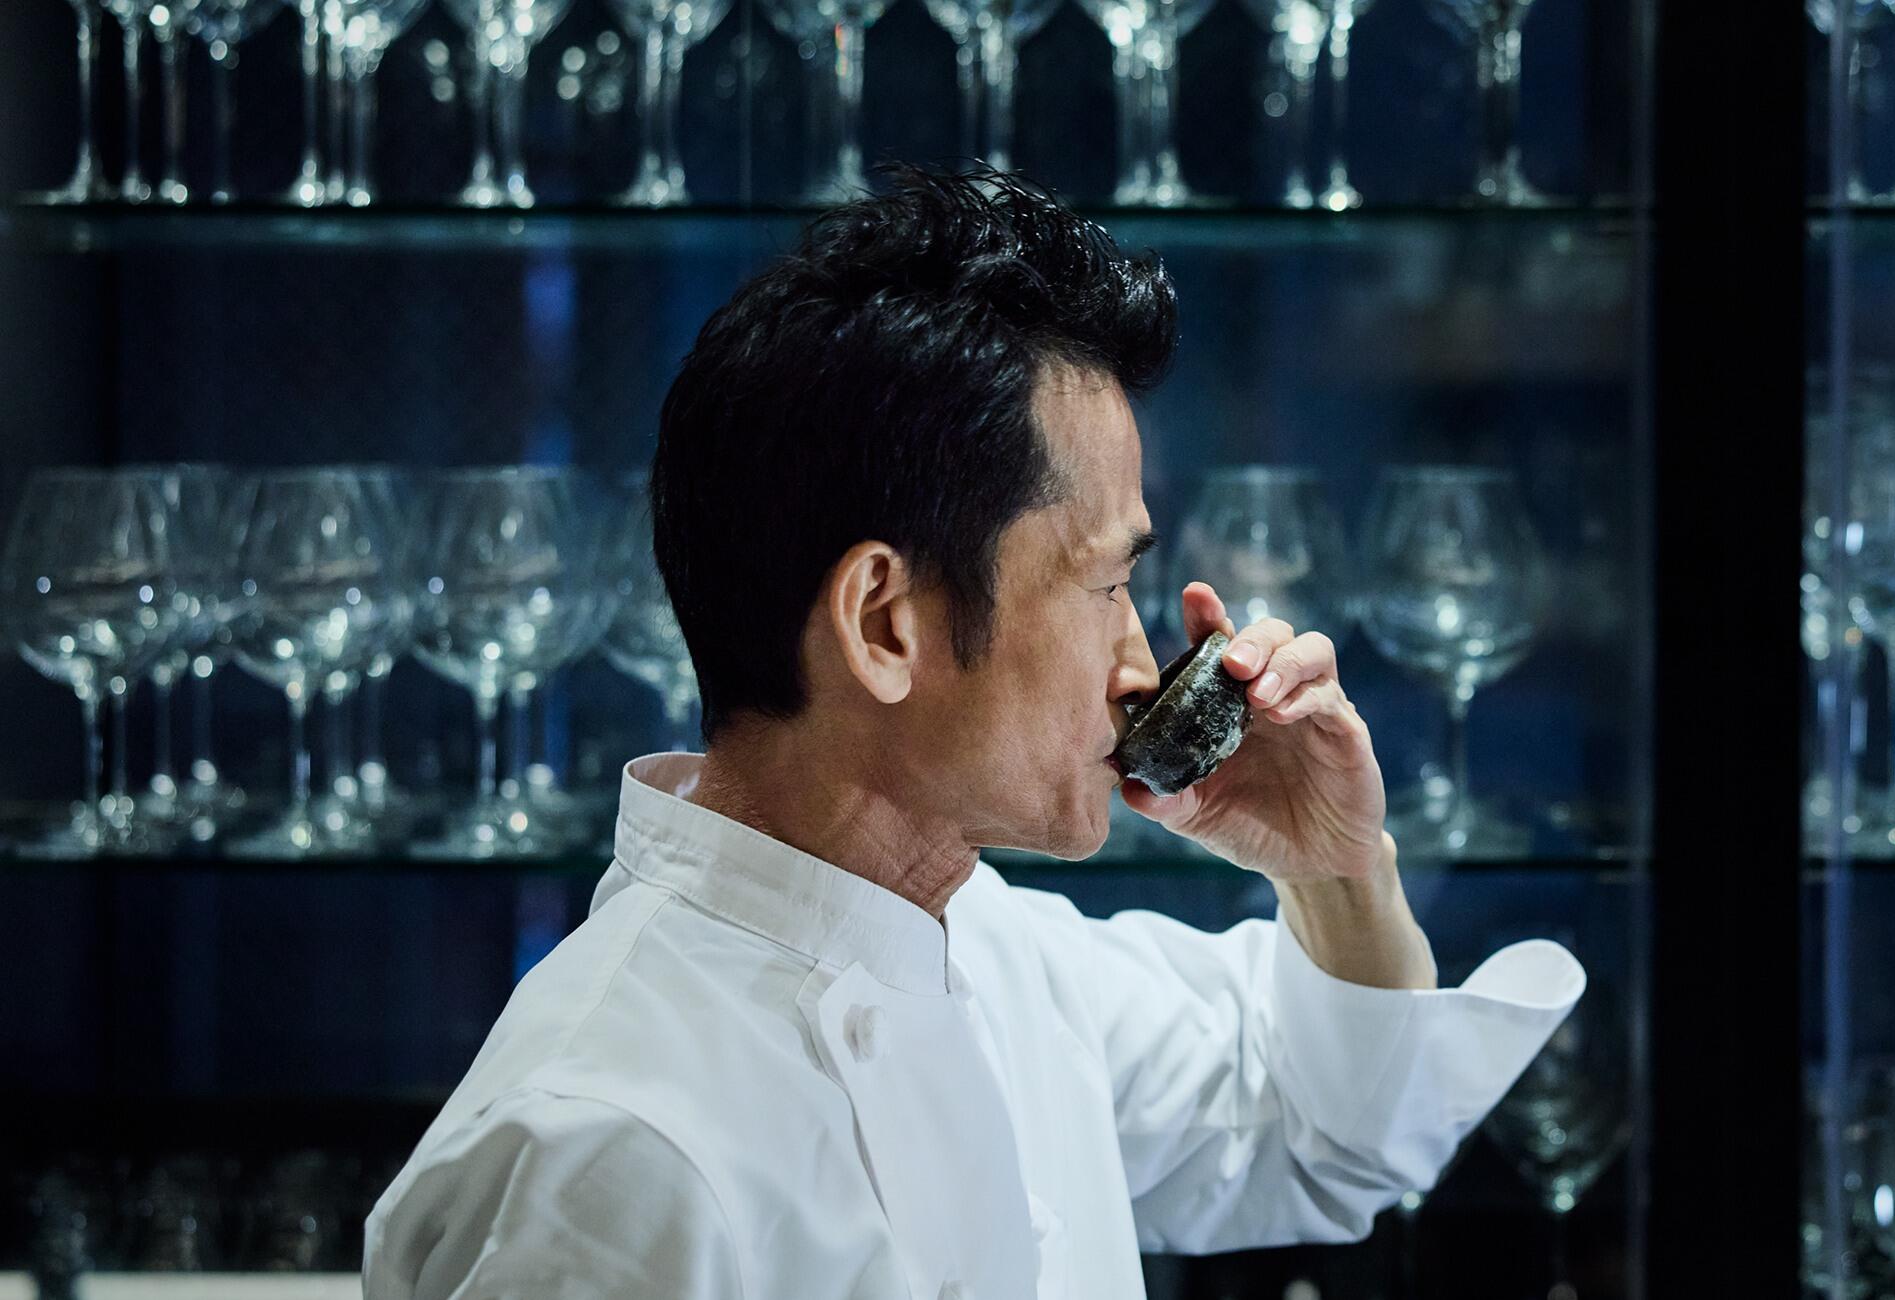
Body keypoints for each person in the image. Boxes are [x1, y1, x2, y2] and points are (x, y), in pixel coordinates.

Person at [363, 164, 1584, 1300]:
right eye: (1107, 585)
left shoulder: (985, 947)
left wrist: (1333, 871)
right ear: (883, 623)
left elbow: (1335, 1135)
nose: (1141, 666)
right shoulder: (608, 1159)